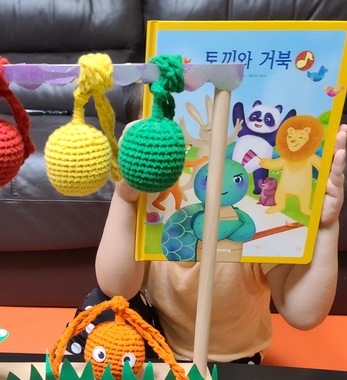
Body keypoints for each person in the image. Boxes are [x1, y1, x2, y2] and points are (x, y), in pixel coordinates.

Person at [68, 124, 347, 364]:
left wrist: (326, 228)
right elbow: (116, 288)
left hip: (233, 359)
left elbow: (303, 313)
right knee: (101, 305)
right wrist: (125, 198)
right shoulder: (154, 210)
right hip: (153, 349)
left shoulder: (252, 225)